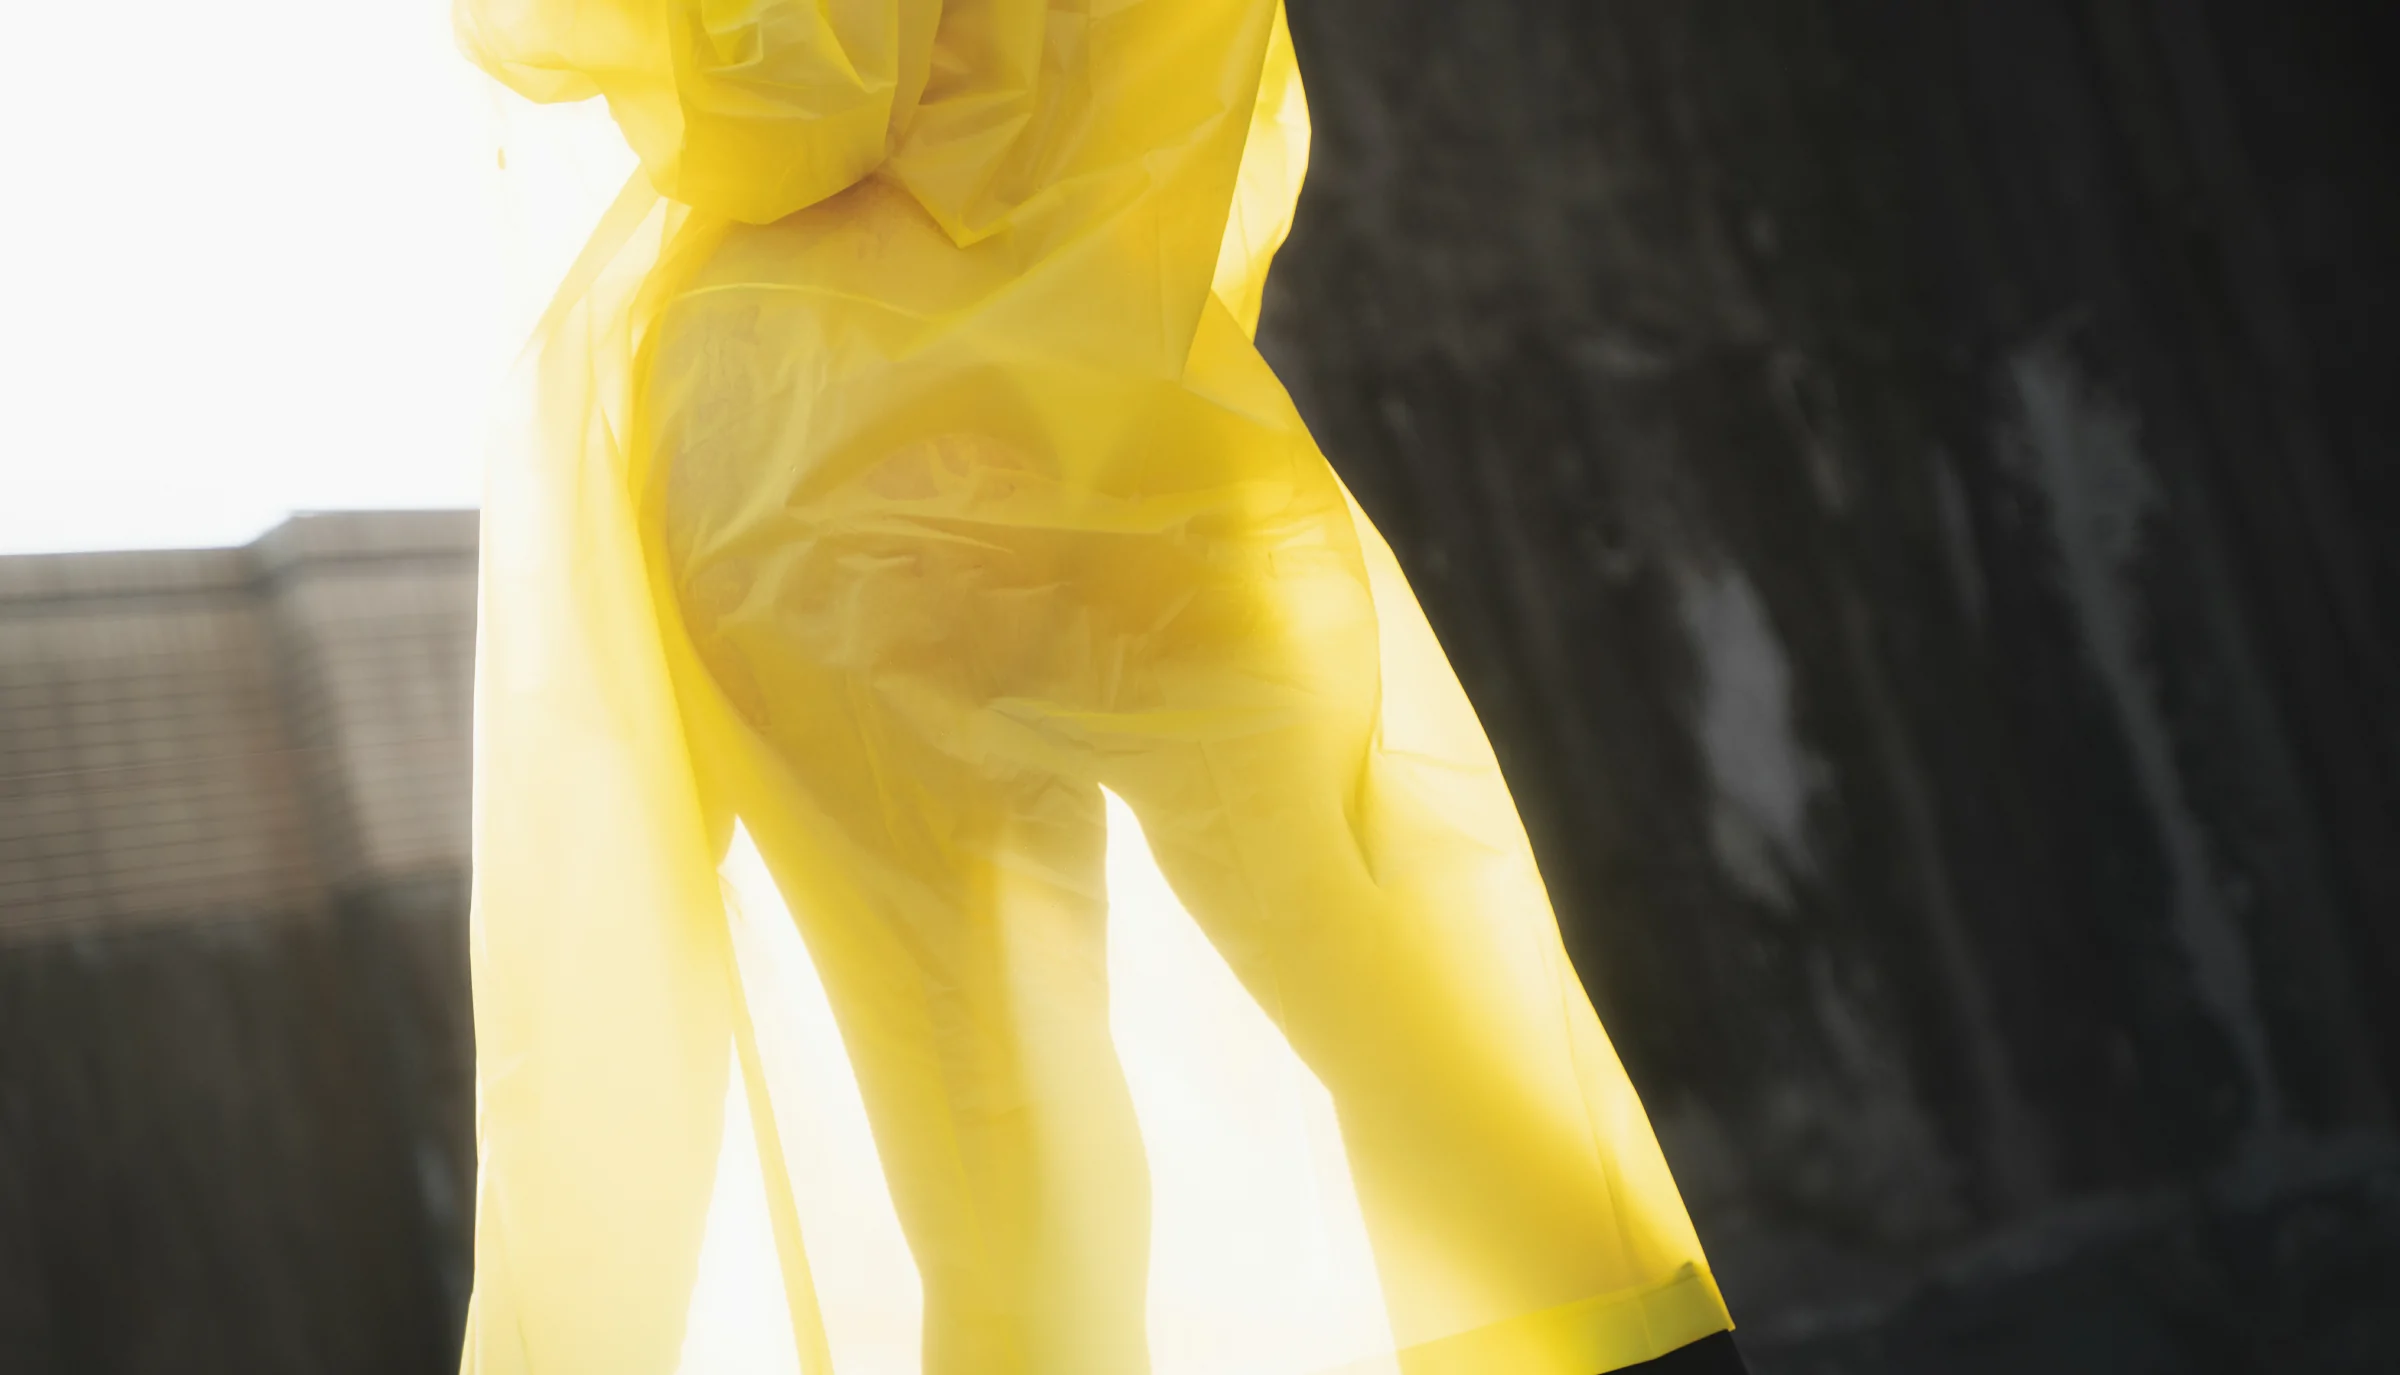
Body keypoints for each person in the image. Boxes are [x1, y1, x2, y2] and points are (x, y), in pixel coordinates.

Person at [455, 2, 1744, 1372]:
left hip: (812, 437)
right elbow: (1231, 130)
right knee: (1400, 992)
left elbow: (800, 104)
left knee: (991, 1119)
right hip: (1123, 390)